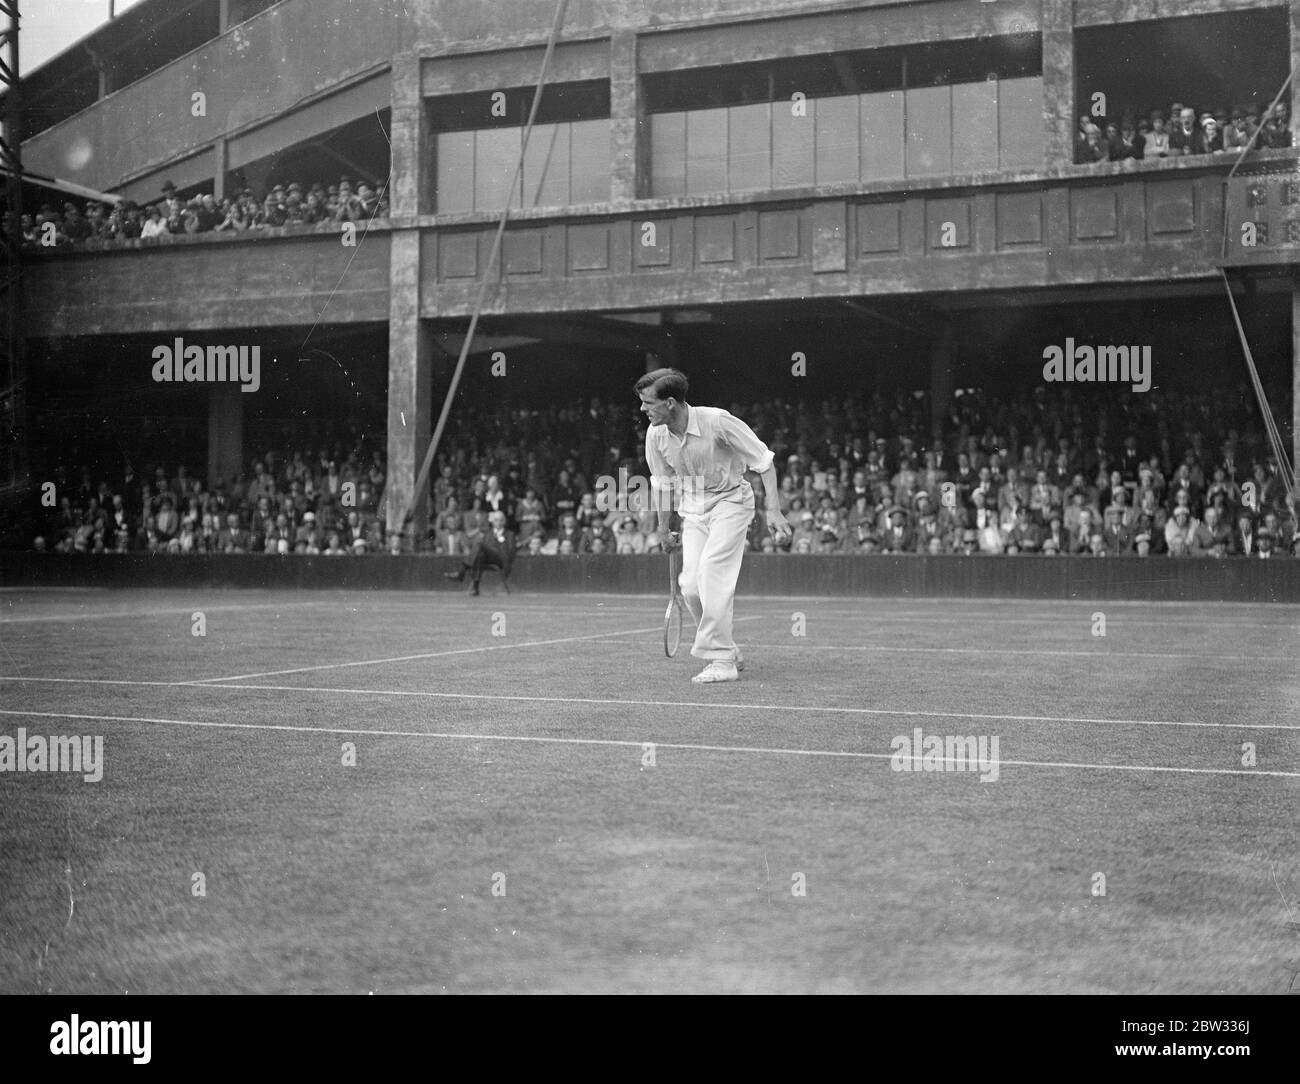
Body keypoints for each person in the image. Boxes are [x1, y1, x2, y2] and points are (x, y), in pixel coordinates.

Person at [638, 368, 792, 683]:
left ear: (670, 403)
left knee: (711, 572)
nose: (642, 409)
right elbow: (662, 483)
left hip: (731, 502)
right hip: (693, 509)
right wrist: (663, 527)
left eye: (648, 403)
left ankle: (722, 661)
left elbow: (764, 462)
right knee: (690, 587)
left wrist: (774, 511)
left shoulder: (718, 421)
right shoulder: (655, 434)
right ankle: (728, 649)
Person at [444, 509, 516, 595]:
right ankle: (475, 588)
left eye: (501, 520)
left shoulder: (509, 534)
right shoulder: (488, 534)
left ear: (504, 522)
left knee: (479, 545)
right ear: (493, 522)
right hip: (487, 559)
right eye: (496, 520)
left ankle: (462, 571)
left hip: (500, 559)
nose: (499, 523)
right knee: (479, 555)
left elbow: (511, 551)